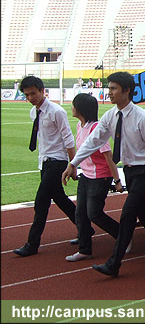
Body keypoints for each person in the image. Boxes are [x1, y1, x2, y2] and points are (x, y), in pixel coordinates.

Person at [62, 71, 145, 277]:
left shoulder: (142, 118)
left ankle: (114, 263)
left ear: (127, 91)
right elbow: (92, 141)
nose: (108, 92)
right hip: (130, 170)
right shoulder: (110, 116)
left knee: (128, 214)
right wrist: (73, 163)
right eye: (108, 88)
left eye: (113, 88)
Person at [13, 76, 79, 257]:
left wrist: (72, 165)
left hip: (57, 162)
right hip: (45, 162)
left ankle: (32, 244)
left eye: (33, 93)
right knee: (60, 198)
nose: (30, 98)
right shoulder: (34, 112)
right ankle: (86, 229)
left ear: (43, 91)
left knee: (41, 202)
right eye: (27, 95)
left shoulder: (56, 111)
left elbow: (68, 138)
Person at [65, 93, 123, 262]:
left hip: (100, 177)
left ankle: (122, 234)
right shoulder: (79, 126)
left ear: (81, 108)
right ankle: (84, 249)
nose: (72, 108)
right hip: (86, 176)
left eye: (74, 104)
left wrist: (117, 180)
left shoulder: (96, 129)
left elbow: (108, 155)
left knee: (94, 213)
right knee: (80, 213)